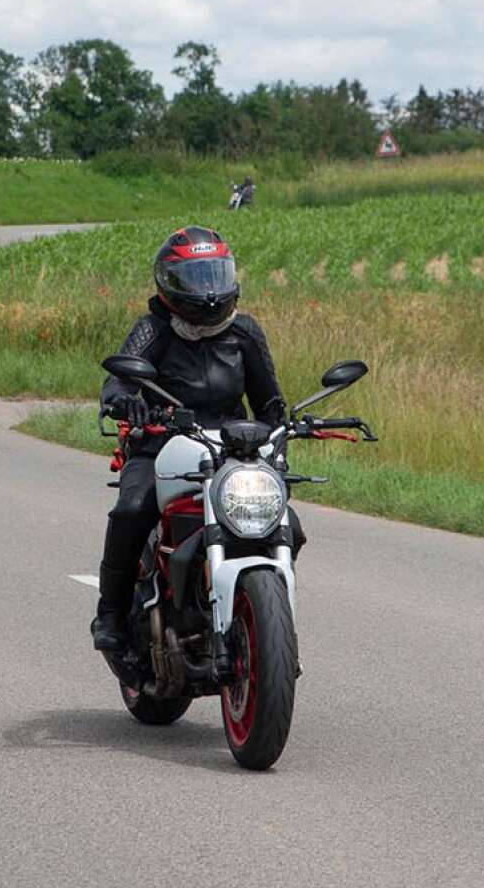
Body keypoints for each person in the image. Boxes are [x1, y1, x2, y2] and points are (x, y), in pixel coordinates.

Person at [92, 225, 287, 651]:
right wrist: (127, 404)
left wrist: (286, 430)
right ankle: (109, 613)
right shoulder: (155, 330)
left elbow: (270, 403)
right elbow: (119, 382)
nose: (209, 291)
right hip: (162, 444)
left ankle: (264, 615)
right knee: (131, 509)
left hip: (230, 451)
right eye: (195, 279)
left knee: (283, 520)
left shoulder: (244, 333)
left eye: (214, 275)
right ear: (170, 282)